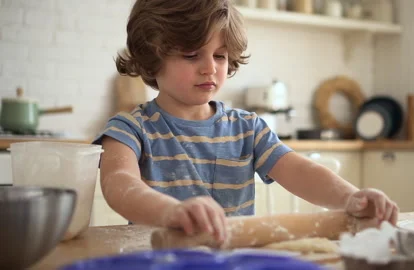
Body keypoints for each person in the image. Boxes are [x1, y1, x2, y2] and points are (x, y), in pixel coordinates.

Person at [93, 0, 398, 246]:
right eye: (191, 55)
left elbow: (300, 171)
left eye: (221, 56)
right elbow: (119, 185)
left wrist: (351, 197)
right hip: (160, 260)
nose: (210, 68)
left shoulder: (247, 127)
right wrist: (171, 212)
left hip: (235, 260)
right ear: (150, 56)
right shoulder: (129, 128)